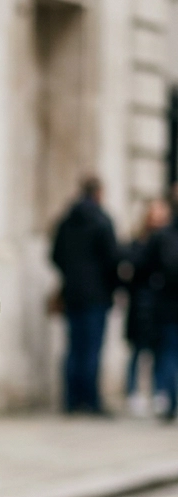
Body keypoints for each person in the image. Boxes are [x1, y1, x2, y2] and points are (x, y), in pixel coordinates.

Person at [51, 176, 119, 414]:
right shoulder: (102, 221)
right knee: (92, 349)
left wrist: (71, 275)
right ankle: (91, 401)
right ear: (98, 193)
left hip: (72, 293)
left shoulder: (66, 221)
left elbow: (55, 255)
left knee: (73, 348)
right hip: (96, 295)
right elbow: (113, 259)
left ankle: (71, 400)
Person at [119, 199, 171, 414]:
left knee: (161, 350)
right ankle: (133, 393)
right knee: (138, 350)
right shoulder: (139, 242)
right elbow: (130, 269)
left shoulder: (169, 239)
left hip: (162, 304)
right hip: (141, 303)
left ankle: (161, 392)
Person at [145, 199, 178, 421]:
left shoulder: (161, 236)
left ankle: (167, 399)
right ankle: (168, 399)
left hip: (166, 305)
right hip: (167, 306)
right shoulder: (161, 237)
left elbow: (144, 267)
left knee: (167, 353)